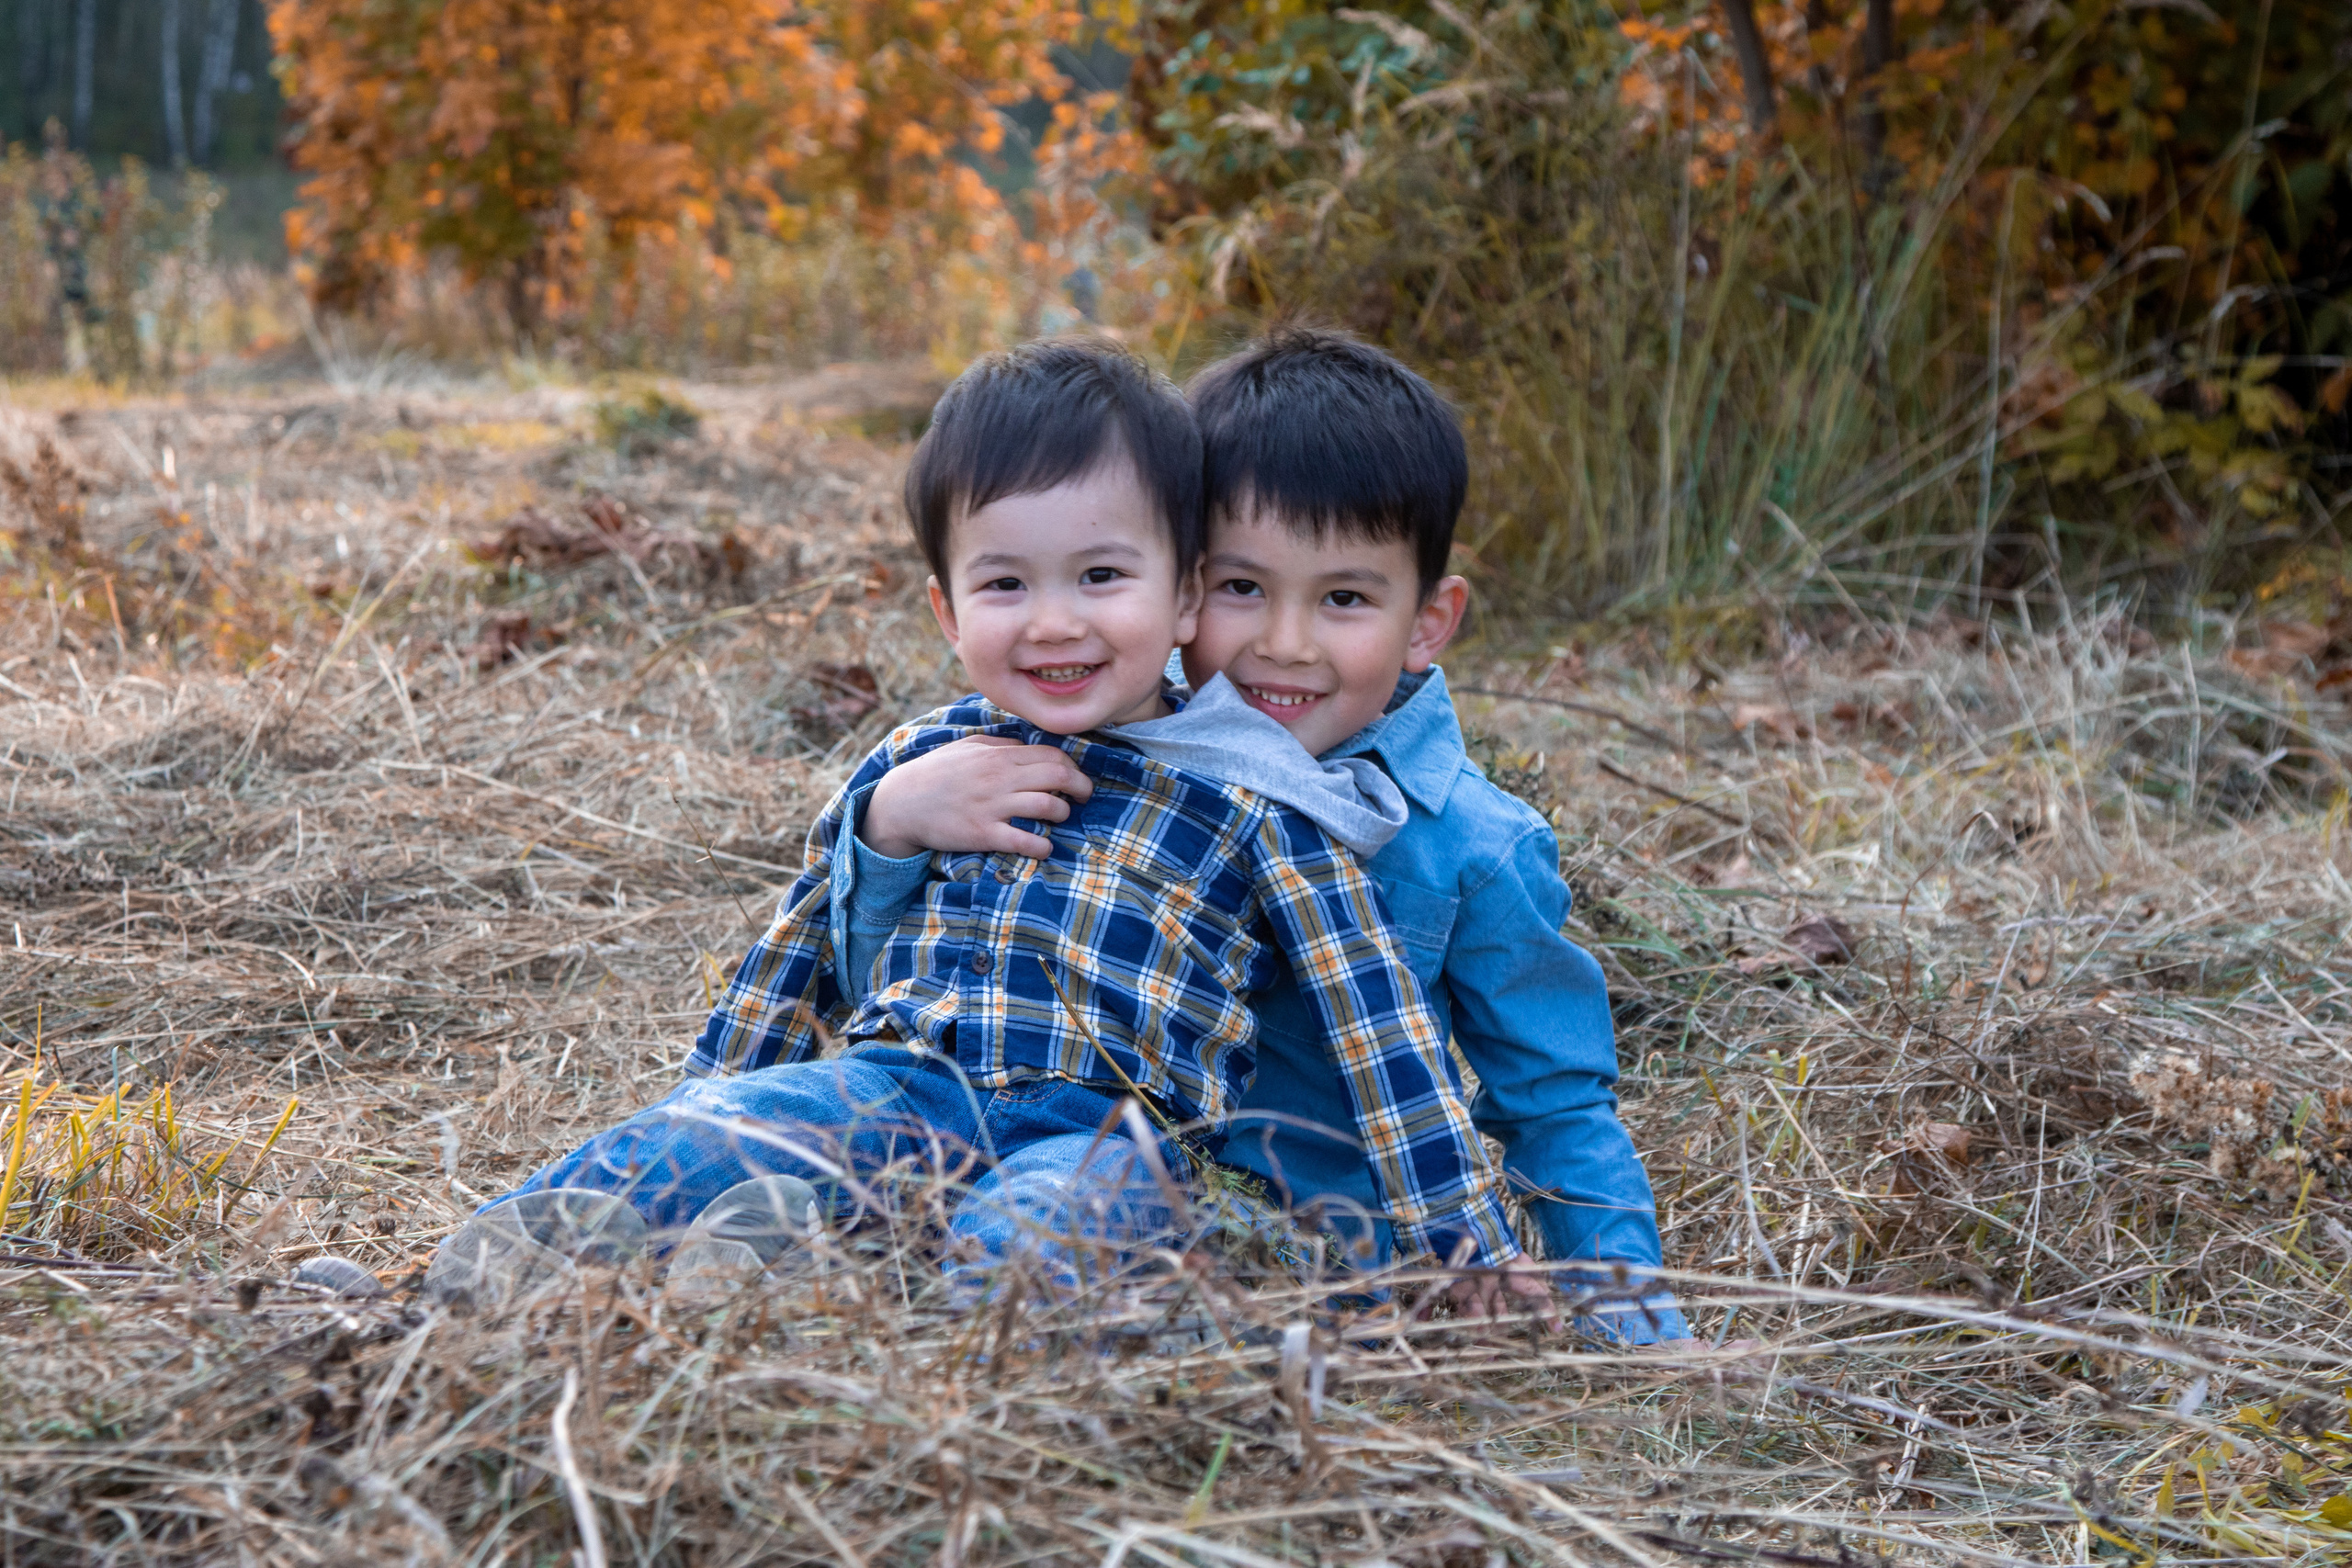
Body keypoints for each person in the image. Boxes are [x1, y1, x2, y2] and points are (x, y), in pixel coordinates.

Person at [424, 336, 1536, 1311]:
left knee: (1041, 1246)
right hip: (901, 1085)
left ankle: (896, 1330)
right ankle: (449, 1294)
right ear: (948, 612)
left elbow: (1379, 1028)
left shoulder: (1259, 797)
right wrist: (721, 1089)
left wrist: (1466, 1244)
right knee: (701, 1147)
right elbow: (791, 956)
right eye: (1005, 585)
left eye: (1102, 575)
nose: (1056, 623)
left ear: (1186, 597)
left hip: (1111, 1134)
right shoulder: (924, 758)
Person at [846, 327, 1686, 1342]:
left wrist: (1633, 1328)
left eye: (1342, 598)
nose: (1283, 644)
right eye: (1243, 588)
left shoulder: (1471, 845)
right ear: (1182, 581)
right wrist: (889, 825)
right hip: (1054, 1150)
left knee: (1083, 1255)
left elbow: (1556, 1107)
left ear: (1427, 620)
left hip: (1304, 1264)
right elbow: (900, 976)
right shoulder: (1095, 755)